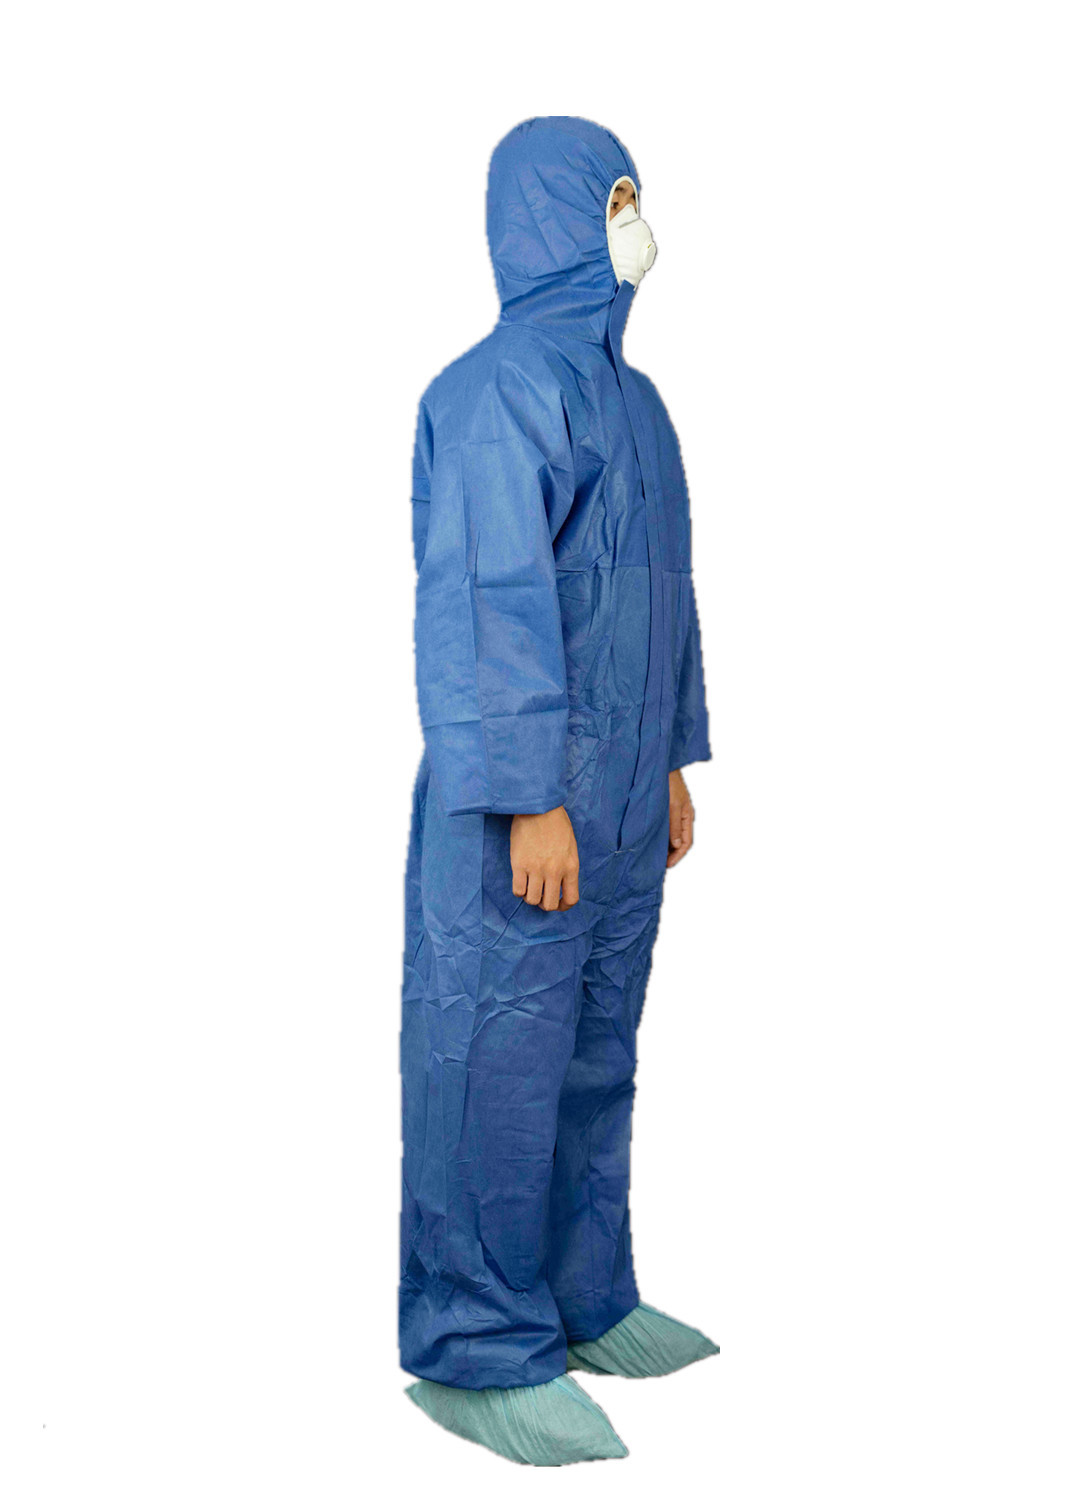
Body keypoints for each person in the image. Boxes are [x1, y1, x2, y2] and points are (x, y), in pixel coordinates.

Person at [399, 116, 718, 1466]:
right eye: (615, 198)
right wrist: (530, 795)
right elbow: (489, 610)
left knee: (596, 1056)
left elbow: (664, 596)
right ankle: (476, 1347)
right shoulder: (490, 396)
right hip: (523, 805)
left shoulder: (637, 407)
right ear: (558, 211)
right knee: (495, 1064)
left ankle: (585, 1299)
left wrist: (672, 756)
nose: (635, 222)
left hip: (626, 798)